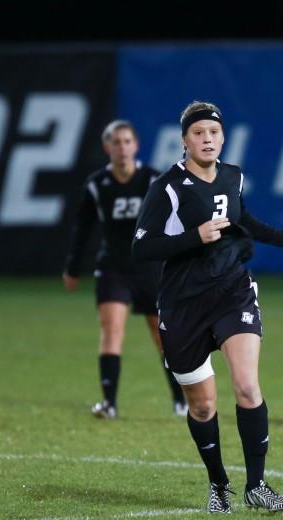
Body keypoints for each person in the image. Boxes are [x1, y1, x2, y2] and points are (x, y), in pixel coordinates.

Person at [132, 100, 283, 514]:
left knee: (247, 385)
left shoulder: (233, 176)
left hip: (231, 291)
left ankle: (257, 485)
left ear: (223, 137)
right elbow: (142, 247)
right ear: (184, 140)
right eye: (198, 133)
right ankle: (219, 485)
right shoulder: (168, 188)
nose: (207, 139)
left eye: (213, 132)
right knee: (203, 405)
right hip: (182, 305)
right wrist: (195, 236)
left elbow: (242, 217)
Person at [63, 120, 188, 420]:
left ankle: (181, 401)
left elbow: (176, 220)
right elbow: (83, 228)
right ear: (107, 147)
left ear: (136, 145)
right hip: (113, 268)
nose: (122, 148)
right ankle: (109, 403)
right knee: (111, 331)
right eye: (116, 142)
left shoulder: (152, 180)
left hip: (151, 269)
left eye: (127, 141)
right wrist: (72, 267)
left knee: (163, 337)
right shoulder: (97, 185)